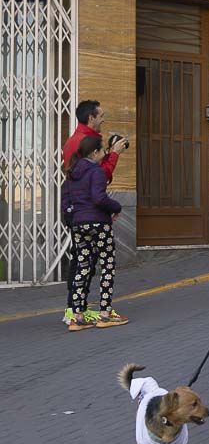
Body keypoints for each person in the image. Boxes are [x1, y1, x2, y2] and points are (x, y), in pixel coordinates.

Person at [61, 136, 127, 331]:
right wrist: (116, 207)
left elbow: (67, 200)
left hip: (79, 225)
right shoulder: (96, 172)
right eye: (102, 151)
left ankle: (77, 317)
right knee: (107, 264)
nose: (104, 154)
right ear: (94, 153)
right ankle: (105, 313)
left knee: (82, 267)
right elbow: (99, 199)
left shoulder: (72, 172)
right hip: (98, 223)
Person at [63, 100, 127, 183]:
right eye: (101, 116)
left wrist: (110, 153)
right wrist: (115, 153)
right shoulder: (88, 142)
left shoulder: (70, 141)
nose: (103, 120)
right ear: (91, 118)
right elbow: (100, 175)